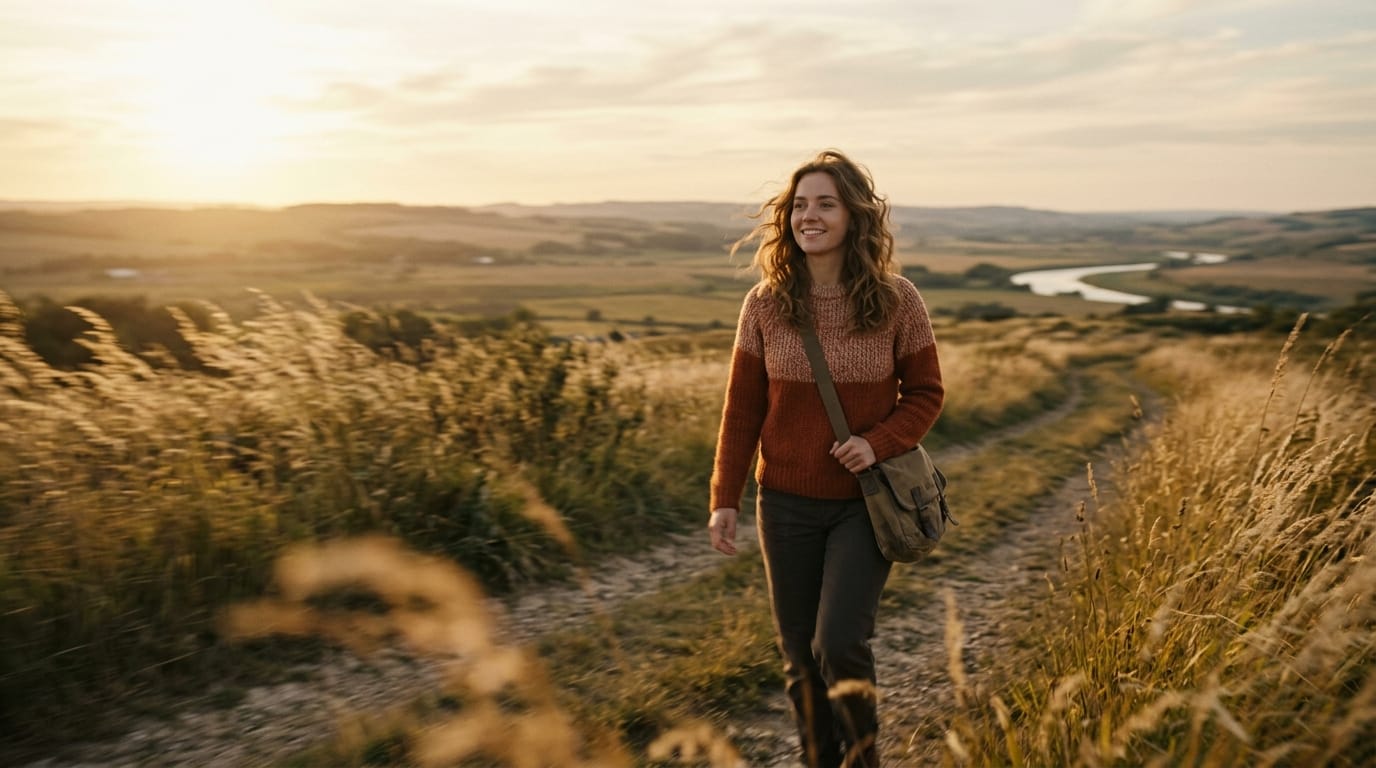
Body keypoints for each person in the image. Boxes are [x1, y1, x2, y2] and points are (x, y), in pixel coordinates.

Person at [708, 150, 944, 768]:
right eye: (800, 205)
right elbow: (742, 413)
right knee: (798, 657)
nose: (808, 216)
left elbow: (925, 394)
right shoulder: (764, 305)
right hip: (783, 504)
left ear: (855, 216)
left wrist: (878, 442)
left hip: (864, 506)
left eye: (826, 204)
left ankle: (863, 758)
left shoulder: (898, 300)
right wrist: (724, 500)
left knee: (838, 644)